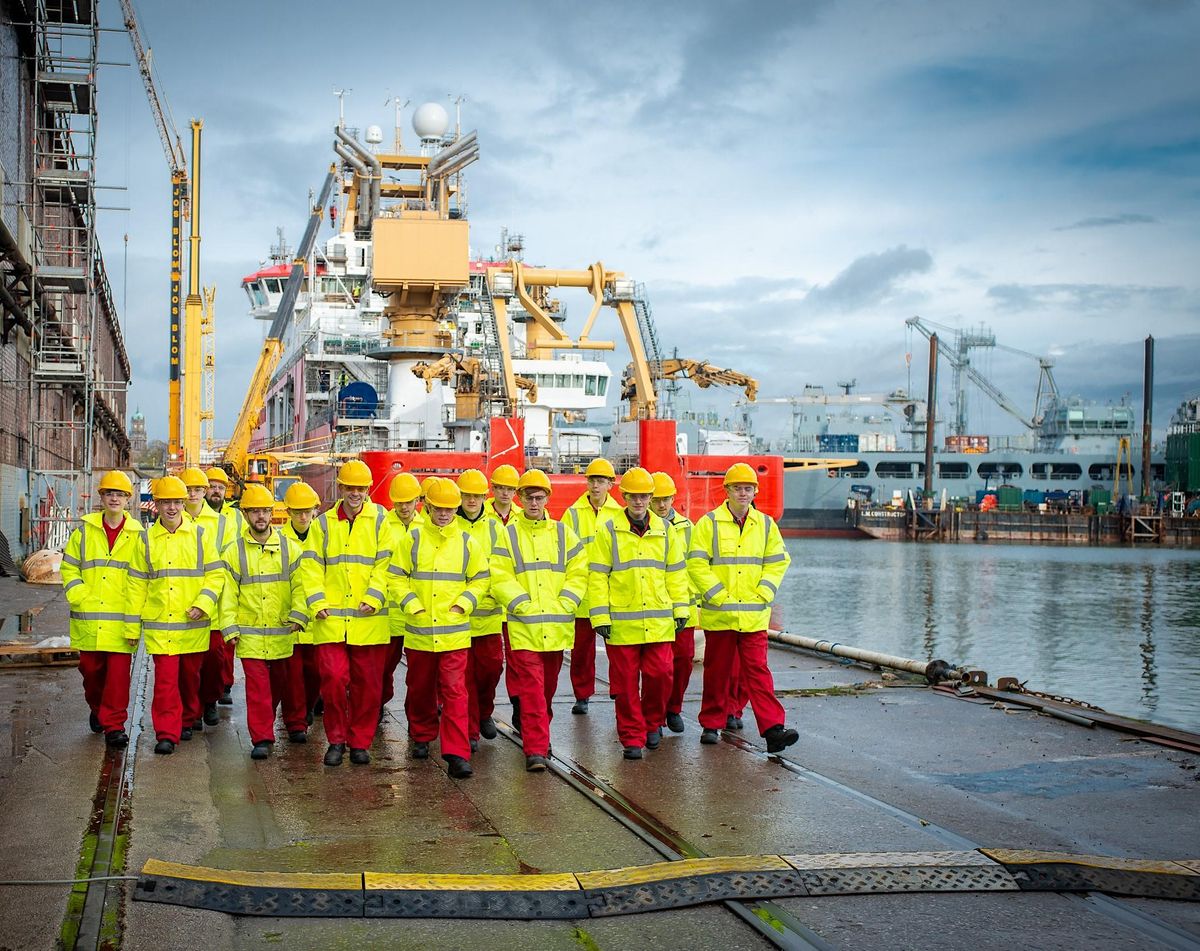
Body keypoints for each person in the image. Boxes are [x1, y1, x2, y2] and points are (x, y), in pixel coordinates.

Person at [687, 462, 798, 753]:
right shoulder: (708, 523)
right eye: (738, 488)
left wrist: (764, 592)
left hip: (753, 615)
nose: (743, 493)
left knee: (758, 672)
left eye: (748, 488)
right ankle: (711, 724)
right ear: (727, 491)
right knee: (716, 671)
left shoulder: (765, 525)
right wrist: (717, 593)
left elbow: (778, 562)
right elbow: (696, 563)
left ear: (755, 491)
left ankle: (774, 730)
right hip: (720, 614)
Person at [389, 477, 489, 780]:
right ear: (428, 506)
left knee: (455, 692)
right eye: (439, 508)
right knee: (419, 687)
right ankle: (421, 734)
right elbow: (396, 577)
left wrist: (464, 604)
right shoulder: (413, 540)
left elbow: (481, 579)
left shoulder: (467, 542)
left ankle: (457, 753)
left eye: (449, 508)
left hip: (454, 633)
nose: (444, 514)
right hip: (420, 631)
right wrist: (412, 605)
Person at [589, 468, 689, 759]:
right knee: (625, 685)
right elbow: (597, 576)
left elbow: (676, 573)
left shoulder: (666, 530)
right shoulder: (608, 530)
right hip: (621, 623)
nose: (640, 501)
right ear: (625, 496)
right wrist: (600, 616)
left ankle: (653, 722)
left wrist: (681, 608)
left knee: (661, 675)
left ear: (651, 497)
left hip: (658, 620)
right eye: (634, 496)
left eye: (645, 496)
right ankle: (632, 737)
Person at [490, 469, 587, 772]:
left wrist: (567, 601)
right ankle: (535, 749)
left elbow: (579, 571)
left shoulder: (563, 533)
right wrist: (522, 605)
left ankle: (540, 735)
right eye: (528, 497)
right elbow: (499, 575)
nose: (534, 502)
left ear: (547, 499)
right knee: (531, 689)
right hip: (524, 626)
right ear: (520, 499)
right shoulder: (508, 535)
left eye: (539, 497)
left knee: (547, 690)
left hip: (556, 625)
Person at [306, 460, 394, 767]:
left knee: (368, 687)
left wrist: (375, 596)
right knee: (332, 680)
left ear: (368, 490)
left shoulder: (382, 521)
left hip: (369, 620)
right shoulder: (323, 524)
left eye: (360, 488)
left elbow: (388, 564)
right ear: (340, 488)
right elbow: (311, 567)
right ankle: (336, 740)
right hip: (330, 621)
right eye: (349, 488)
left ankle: (360, 742)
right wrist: (317, 603)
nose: (354, 494)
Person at [218, 484, 309, 759]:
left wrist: (299, 614)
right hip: (251, 634)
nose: (260, 516)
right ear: (245, 515)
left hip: (283, 629)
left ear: (273, 514)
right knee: (257, 688)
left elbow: (301, 586)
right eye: (255, 511)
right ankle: (262, 738)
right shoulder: (234, 552)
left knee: (281, 685)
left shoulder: (289, 549)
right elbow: (227, 594)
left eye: (265, 511)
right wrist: (229, 627)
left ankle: (279, 724)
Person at [60, 470, 147, 749]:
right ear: (101, 498)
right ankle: (97, 708)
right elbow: (69, 566)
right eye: (109, 493)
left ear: (127, 500)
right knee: (91, 672)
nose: (114, 499)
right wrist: (78, 593)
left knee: (119, 679)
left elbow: (144, 576)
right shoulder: (84, 531)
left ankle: (115, 726)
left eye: (119, 494)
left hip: (122, 620)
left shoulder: (138, 535)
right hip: (89, 617)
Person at [139, 475, 224, 755]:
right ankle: (166, 733)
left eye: (177, 502)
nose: (172, 508)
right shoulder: (147, 540)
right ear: (158, 504)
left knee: (189, 677)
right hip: (161, 623)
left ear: (184, 503)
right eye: (166, 502)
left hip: (192, 622)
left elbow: (216, 575)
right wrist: (133, 622)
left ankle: (188, 718)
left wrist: (204, 603)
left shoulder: (201, 537)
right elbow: (136, 582)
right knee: (164, 682)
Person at [562, 457, 622, 714]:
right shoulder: (572, 514)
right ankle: (582, 695)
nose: (595, 486)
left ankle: (620, 690)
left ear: (611, 484)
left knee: (619, 649)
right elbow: (562, 552)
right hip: (583, 593)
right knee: (581, 650)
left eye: (600, 481)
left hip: (613, 593)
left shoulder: (620, 514)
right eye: (592, 481)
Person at [180, 466, 236, 730]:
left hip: (213, 602)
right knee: (188, 667)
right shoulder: (173, 519)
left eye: (197, 489)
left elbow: (228, 562)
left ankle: (210, 701)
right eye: (188, 489)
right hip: (182, 603)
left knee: (215, 659)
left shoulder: (220, 522)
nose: (193, 494)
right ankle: (192, 711)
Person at [455, 469, 504, 747]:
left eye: (476, 495)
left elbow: (501, 568)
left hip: (488, 615)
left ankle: (484, 711)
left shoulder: (496, 528)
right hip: (456, 616)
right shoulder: (450, 524)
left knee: (491, 670)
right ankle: (470, 731)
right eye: (466, 495)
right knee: (463, 679)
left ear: (484, 497)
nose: (472, 500)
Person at [650, 471, 701, 734]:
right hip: (654, 609)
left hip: (685, 607)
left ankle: (674, 708)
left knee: (683, 661)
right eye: (657, 500)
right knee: (658, 669)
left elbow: (695, 564)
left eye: (666, 499)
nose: (662, 505)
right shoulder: (643, 528)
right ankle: (656, 717)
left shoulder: (687, 527)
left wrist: (690, 597)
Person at [380, 472, 425, 717]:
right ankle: (379, 702)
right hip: (390, 613)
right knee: (384, 667)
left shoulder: (427, 527)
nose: (404, 507)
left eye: (408, 501)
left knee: (419, 672)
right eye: (399, 502)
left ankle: (416, 713)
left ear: (417, 500)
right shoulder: (382, 526)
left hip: (419, 612)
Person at [279, 481, 324, 722]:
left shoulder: (325, 535)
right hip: (292, 617)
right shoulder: (280, 540)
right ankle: (296, 718)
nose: (304, 516)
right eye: (298, 511)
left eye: (308, 511)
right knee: (292, 674)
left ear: (315, 510)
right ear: (289, 512)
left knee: (315, 672)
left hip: (319, 616)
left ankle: (308, 706)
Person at [205, 466, 245, 707]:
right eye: (212, 486)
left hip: (229, 581)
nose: (216, 491)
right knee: (210, 646)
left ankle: (225, 685)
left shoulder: (236, 516)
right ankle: (212, 689)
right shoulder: (195, 515)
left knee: (226, 640)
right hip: (204, 581)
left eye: (220, 487)